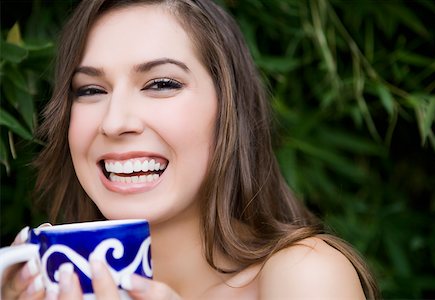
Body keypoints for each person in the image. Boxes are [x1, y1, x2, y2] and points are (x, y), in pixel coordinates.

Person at [2, 0, 379, 299]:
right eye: (90, 90)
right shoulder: (43, 289)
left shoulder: (303, 275)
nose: (114, 122)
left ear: (229, 108)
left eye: (161, 83)